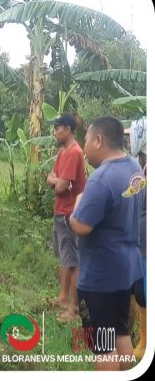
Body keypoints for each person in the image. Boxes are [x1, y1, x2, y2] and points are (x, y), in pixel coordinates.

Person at [70, 116, 145, 371]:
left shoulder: (101, 179)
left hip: (100, 276)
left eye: (87, 140)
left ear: (99, 140)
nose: (85, 146)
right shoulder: (134, 168)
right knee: (120, 332)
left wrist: (78, 204)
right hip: (125, 271)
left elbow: (81, 225)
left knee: (103, 345)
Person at [46, 113, 86, 322]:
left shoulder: (73, 153)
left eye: (58, 128)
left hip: (70, 214)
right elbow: (50, 178)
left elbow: (60, 186)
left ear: (68, 130)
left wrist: (56, 182)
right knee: (65, 258)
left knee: (73, 262)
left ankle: (74, 308)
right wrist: (56, 181)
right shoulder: (63, 152)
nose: (55, 132)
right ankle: (63, 298)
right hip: (61, 212)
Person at [127, 117, 147, 360]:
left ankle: (144, 342)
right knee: (139, 292)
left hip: (145, 244)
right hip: (138, 242)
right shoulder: (143, 169)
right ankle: (139, 337)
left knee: (144, 294)